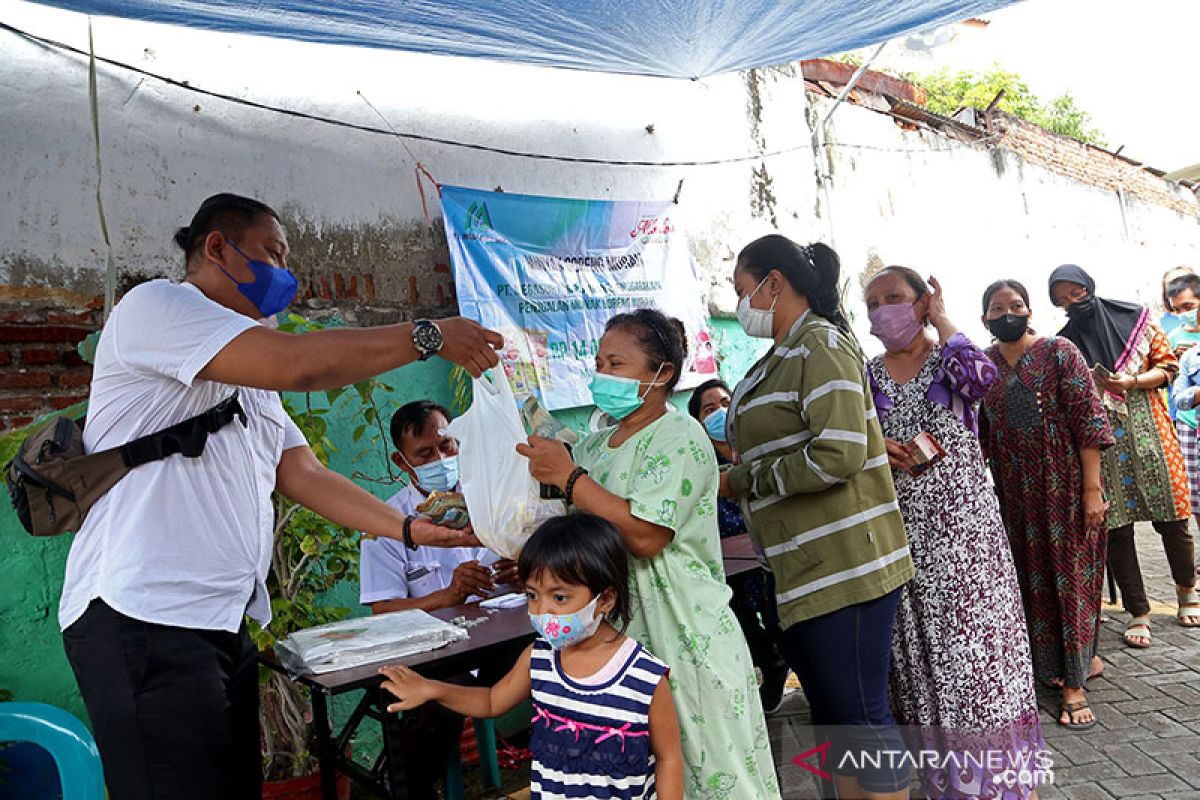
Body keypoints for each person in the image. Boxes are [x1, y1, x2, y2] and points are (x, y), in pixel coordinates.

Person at [59, 193, 502, 800]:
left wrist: (411, 529)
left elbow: (304, 474)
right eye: (273, 254)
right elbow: (298, 365)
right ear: (217, 248)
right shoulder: (158, 308)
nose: (286, 274)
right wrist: (428, 334)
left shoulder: (250, 380)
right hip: (143, 617)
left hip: (218, 621)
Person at [518, 309, 781, 799]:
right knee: (646, 774)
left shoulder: (679, 436)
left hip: (684, 634)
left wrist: (571, 479)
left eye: (616, 363)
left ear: (660, 374)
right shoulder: (594, 447)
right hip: (622, 638)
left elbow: (645, 535)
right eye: (598, 362)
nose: (602, 375)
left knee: (710, 765)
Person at [720, 234, 914, 800]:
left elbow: (840, 452)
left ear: (773, 284)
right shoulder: (779, 355)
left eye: (741, 291)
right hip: (802, 569)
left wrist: (746, 479)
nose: (740, 305)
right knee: (833, 718)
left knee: (860, 717)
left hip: (845, 566)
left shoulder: (820, 344)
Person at [863, 267, 1043, 792]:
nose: (882, 310)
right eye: (872, 302)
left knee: (978, 654)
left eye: (893, 298)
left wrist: (942, 320)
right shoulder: (867, 373)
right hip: (901, 533)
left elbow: (984, 380)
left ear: (921, 301)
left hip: (965, 532)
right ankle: (946, 781)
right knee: (921, 656)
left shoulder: (952, 358)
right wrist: (879, 450)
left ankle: (999, 781)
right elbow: (856, 439)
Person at [379, 513, 685, 800]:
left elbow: (668, 757)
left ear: (605, 599)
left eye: (560, 597)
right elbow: (490, 701)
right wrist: (432, 689)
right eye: (532, 595)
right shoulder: (539, 659)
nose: (542, 610)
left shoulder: (643, 676)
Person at [979, 279, 1113, 729]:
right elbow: (980, 434)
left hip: (1064, 487)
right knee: (1027, 582)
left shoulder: (1059, 353)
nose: (1008, 313)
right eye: (998, 308)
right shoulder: (984, 365)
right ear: (985, 319)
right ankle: (1052, 667)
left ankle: (1075, 683)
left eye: (1016, 305)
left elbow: (1088, 421)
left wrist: (1091, 490)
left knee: (1070, 578)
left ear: (1030, 311)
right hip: (1013, 494)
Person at [1049, 264, 1198, 648]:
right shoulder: (1065, 343)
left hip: (1153, 435)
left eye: (1076, 292)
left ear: (1089, 287)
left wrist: (1130, 381)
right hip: (1104, 446)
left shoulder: (1138, 319)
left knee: (1173, 517)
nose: (1071, 302)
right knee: (1116, 528)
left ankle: (1186, 591)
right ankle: (1139, 611)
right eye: (1062, 299)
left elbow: (1168, 368)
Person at [686, 379, 789, 715]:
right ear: (699, 423)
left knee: (782, 623)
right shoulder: (698, 466)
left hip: (771, 561)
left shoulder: (757, 449)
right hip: (728, 569)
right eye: (709, 408)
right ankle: (771, 667)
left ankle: (798, 672)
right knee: (742, 624)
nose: (720, 412)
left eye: (725, 402)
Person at [360, 401, 519, 614]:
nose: (440, 459)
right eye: (424, 453)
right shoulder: (384, 526)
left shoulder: (496, 495)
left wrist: (525, 570)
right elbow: (383, 608)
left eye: (446, 446)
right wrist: (449, 596)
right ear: (401, 461)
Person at [1164, 273, 1200, 535]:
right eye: (1177, 309)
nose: (1184, 314)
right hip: (1188, 422)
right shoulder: (1173, 337)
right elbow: (1176, 390)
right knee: (1195, 494)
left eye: (1189, 307)